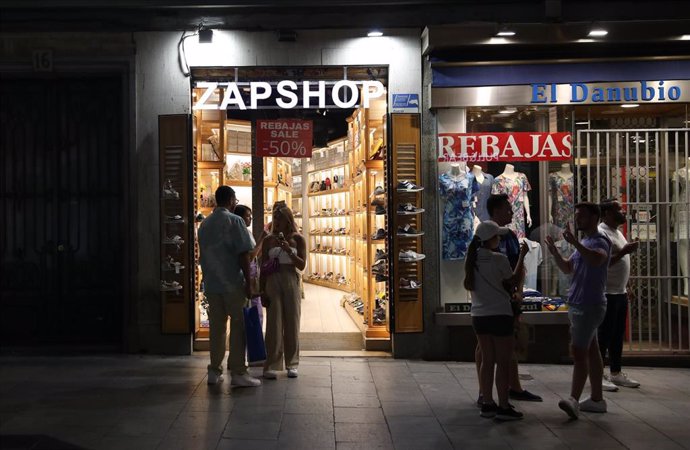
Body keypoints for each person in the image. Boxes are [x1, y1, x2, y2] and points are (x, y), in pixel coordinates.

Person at [475, 194, 543, 405]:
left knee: (494, 350)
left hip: (493, 305)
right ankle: (495, 396)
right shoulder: (488, 243)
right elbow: (514, 271)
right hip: (497, 304)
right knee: (494, 351)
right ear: (495, 211)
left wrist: (519, 292)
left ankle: (505, 389)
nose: (512, 213)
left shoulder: (509, 237)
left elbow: (517, 271)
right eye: (507, 209)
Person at [546, 202, 611, 419]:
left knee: (579, 351)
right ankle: (596, 399)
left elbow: (596, 259)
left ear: (594, 218)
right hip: (579, 303)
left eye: (582, 216)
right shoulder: (585, 242)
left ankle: (573, 399)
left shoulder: (600, 241)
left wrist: (574, 243)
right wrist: (555, 253)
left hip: (588, 304)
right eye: (577, 216)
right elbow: (568, 267)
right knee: (591, 350)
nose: (578, 220)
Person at [197, 186, 262, 387]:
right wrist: (249, 285)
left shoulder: (205, 224)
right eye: (235, 199)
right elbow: (244, 253)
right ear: (232, 200)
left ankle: (214, 371)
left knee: (217, 328)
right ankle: (238, 372)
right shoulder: (235, 221)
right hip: (233, 283)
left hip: (212, 284)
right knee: (238, 326)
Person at [465, 220, 528, 421]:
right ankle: (503, 406)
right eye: (497, 236)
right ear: (489, 239)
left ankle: (487, 402)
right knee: (502, 362)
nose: (499, 239)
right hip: (500, 315)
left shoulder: (471, 260)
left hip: (479, 316)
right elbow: (513, 281)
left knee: (487, 360)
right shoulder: (499, 259)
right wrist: (522, 257)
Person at [598, 200, 640, 390]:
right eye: (618, 210)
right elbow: (602, 263)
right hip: (607, 292)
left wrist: (627, 285)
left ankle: (616, 372)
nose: (622, 211)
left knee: (617, 336)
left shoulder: (617, 232)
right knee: (604, 336)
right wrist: (624, 251)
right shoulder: (602, 233)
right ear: (606, 213)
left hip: (619, 291)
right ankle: (598, 375)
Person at [260, 205, 306, 379]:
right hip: (272, 279)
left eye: (279, 218)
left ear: (288, 220)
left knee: (292, 321)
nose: (276, 222)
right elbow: (263, 266)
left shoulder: (298, 239)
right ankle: (271, 363)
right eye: (275, 218)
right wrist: (262, 289)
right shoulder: (268, 240)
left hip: (291, 279)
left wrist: (288, 250)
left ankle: (292, 363)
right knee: (274, 322)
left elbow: (302, 265)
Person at [233, 204, 263, 327]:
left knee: (256, 310)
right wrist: (262, 240)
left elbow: (255, 255)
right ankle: (252, 342)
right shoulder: (240, 233)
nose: (250, 219)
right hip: (247, 276)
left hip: (253, 274)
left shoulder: (247, 232)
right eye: (248, 216)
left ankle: (255, 341)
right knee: (252, 312)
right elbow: (249, 256)